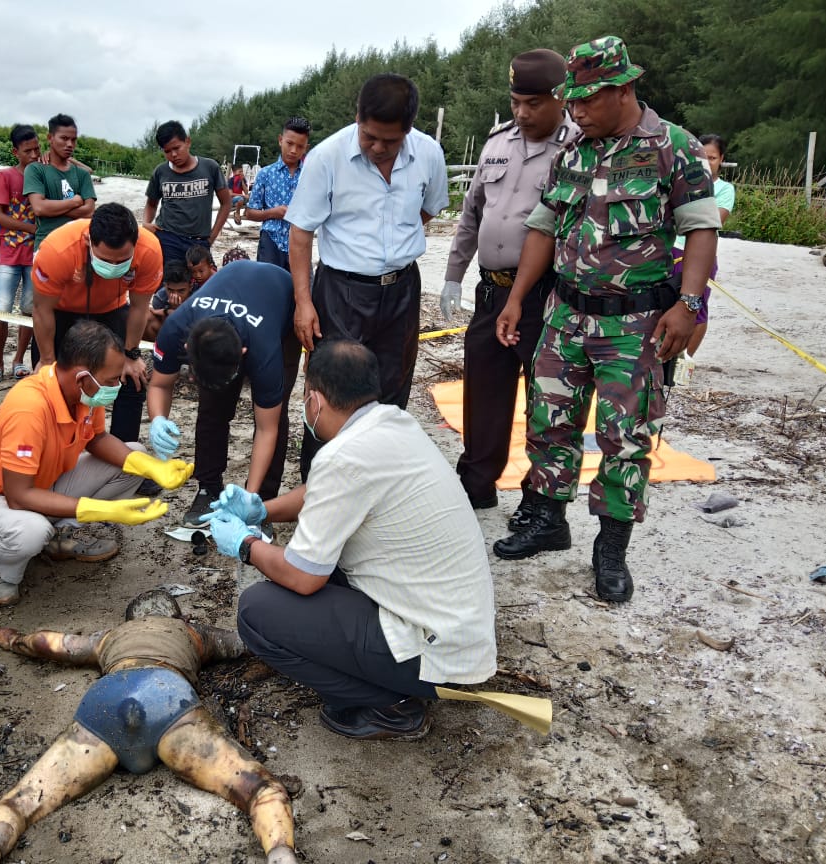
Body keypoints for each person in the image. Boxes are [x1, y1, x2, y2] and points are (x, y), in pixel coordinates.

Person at [493, 36, 720, 603]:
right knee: (549, 421)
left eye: (588, 102)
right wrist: (518, 298)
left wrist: (688, 306)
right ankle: (547, 520)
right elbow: (543, 228)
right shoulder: (574, 151)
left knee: (626, 438)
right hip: (565, 312)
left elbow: (700, 230)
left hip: (635, 325)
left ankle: (611, 547)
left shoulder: (673, 147)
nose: (577, 112)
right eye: (573, 103)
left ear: (623, 89)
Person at [203, 340, 496, 741]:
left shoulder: (344, 456)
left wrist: (245, 544)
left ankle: (391, 704)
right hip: (457, 629)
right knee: (319, 564)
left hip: (431, 654)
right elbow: (318, 494)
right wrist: (261, 510)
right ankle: (390, 683)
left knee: (258, 611)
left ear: (315, 400)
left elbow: (303, 577)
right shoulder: (391, 423)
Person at [0, 588, 297, 864]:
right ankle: (281, 855)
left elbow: (53, 644)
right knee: (261, 791)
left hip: (107, 703)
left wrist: (9, 637)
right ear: (177, 616)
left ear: (129, 620)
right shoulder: (192, 632)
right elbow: (242, 644)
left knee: (18, 805)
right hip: (167, 700)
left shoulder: (110, 637)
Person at [0, 321, 191, 607]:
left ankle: (58, 536)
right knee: (30, 531)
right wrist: (102, 509)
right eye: (111, 380)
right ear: (82, 377)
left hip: (43, 484)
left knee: (133, 457)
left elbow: (97, 439)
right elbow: (18, 497)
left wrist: (151, 466)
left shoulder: (85, 393)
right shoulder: (29, 407)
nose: (117, 386)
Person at [439, 50, 578, 525]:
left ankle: (538, 501)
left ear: (559, 98)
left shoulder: (578, 147)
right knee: (484, 389)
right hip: (490, 290)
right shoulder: (497, 143)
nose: (522, 112)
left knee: (548, 397)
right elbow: (472, 213)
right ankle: (476, 485)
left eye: (534, 103)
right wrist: (454, 275)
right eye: (517, 101)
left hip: (546, 296)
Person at [286, 74, 449, 479]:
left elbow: (427, 212)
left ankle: (376, 483)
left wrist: (391, 246)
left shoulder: (428, 154)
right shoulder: (326, 158)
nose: (377, 148)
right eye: (369, 137)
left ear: (408, 130)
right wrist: (304, 303)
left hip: (401, 290)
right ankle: (319, 484)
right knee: (331, 388)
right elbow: (301, 233)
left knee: (393, 388)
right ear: (357, 117)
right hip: (340, 291)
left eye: (389, 142)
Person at [147, 260, 300, 528]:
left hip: (282, 297)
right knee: (212, 408)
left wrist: (248, 499)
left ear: (243, 354)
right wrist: (157, 418)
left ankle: (262, 499)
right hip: (233, 290)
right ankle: (208, 488)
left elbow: (268, 429)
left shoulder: (265, 352)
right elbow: (159, 384)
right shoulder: (176, 327)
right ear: (187, 348)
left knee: (274, 410)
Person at [30, 203, 160, 444]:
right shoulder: (57, 250)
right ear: (89, 241)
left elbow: (140, 307)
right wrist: (47, 360)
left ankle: (123, 457)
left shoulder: (149, 250)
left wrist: (131, 354)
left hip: (113, 310)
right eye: (105, 260)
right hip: (61, 312)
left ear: (136, 243)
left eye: (121, 260)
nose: (112, 267)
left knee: (133, 379)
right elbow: (42, 309)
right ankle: (55, 449)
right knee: (52, 385)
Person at [0, 123, 41, 382]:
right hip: (9, 251)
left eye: (37, 149)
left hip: (34, 255)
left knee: (29, 311)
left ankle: (19, 360)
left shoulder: (42, 176)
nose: (34, 155)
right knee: (2, 308)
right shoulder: (6, 177)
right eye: (28, 151)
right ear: (15, 152)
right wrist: (31, 228)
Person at [674, 133, 735, 358]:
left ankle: (685, 359)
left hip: (700, 255)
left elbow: (714, 220)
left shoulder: (725, 190)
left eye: (712, 157)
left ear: (721, 159)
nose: (707, 162)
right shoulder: (679, 182)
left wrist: (686, 218)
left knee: (695, 307)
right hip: (671, 250)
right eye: (703, 156)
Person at [143, 120, 231, 266]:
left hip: (199, 242)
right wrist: (146, 223)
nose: (174, 154)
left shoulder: (210, 167)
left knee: (202, 284)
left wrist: (211, 238)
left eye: (177, 148)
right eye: (167, 151)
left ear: (188, 142)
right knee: (171, 286)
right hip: (168, 240)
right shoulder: (161, 172)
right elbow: (151, 204)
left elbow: (226, 203)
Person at [244, 117, 311, 272]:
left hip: (300, 242)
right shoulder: (265, 174)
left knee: (298, 290)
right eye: (289, 143)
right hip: (271, 242)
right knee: (269, 288)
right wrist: (272, 213)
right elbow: (250, 213)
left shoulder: (311, 175)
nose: (294, 150)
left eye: (300, 146)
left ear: (306, 148)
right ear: (280, 140)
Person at [23, 114, 96, 251]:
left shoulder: (82, 174)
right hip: (47, 247)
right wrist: (74, 202)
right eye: (64, 138)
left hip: (80, 248)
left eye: (73, 140)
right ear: (50, 138)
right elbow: (39, 208)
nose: (70, 144)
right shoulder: (35, 169)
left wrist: (52, 207)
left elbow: (90, 211)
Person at [142, 259, 192, 342]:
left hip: (191, 337)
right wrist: (172, 310)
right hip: (169, 334)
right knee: (147, 317)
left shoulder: (198, 295)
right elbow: (167, 328)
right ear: (165, 286)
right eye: (171, 290)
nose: (175, 295)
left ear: (190, 286)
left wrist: (169, 311)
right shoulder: (160, 298)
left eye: (181, 291)